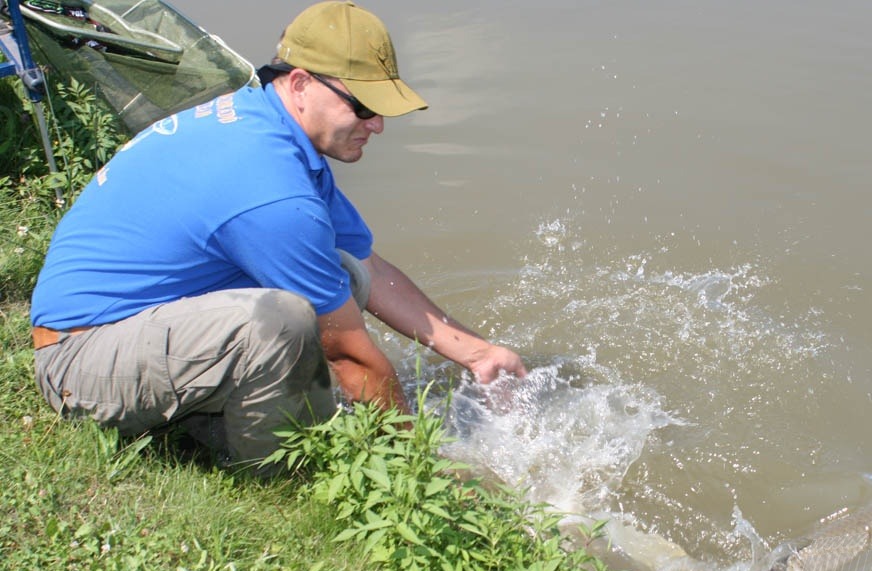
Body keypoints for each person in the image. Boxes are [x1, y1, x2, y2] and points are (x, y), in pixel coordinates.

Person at [29, 1, 526, 473]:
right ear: (302, 83)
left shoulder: (268, 125)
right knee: (281, 321)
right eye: (363, 105)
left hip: (141, 325)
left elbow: (367, 267)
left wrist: (478, 354)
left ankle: (233, 418)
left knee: (341, 274)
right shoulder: (267, 186)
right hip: (80, 361)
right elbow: (350, 355)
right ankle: (283, 477)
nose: (376, 124)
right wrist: (420, 467)